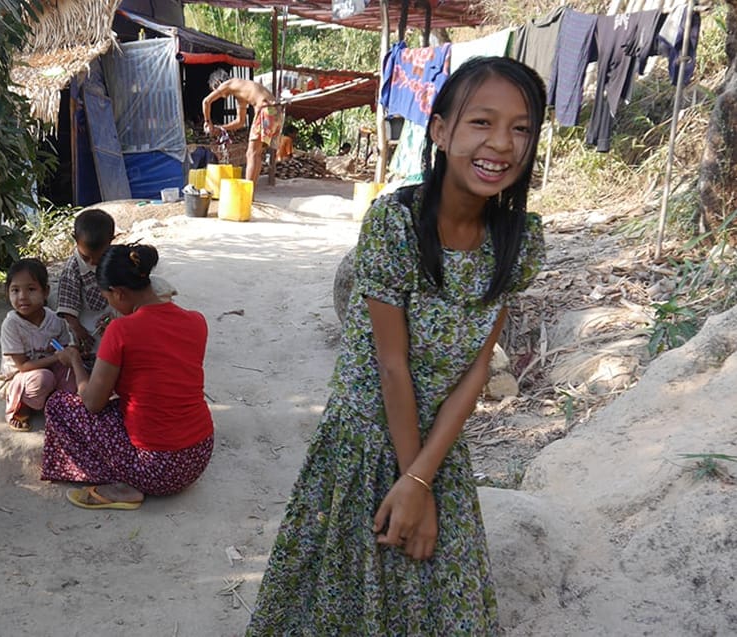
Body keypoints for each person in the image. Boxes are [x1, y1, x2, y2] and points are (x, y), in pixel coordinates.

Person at [246, 56, 548, 635]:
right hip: (363, 440)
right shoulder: (395, 224)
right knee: (343, 601)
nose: (502, 144)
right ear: (440, 131)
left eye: (520, 128)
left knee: (444, 601)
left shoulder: (520, 241)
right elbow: (392, 367)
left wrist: (424, 479)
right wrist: (411, 487)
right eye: (481, 123)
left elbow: (479, 366)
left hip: (437, 449)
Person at [41, 244, 213, 510]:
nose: (110, 305)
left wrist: (75, 361)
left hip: (159, 469)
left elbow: (92, 403)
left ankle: (125, 484)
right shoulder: (197, 321)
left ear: (119, 293)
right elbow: (161, 376)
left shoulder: (121, 330)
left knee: (58, 406)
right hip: (200, 453)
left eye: (108, 298)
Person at [0, 258, 76, 431]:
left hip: (49, 370)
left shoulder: (54, 319)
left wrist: (71, 353)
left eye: (31, 289)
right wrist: (56, 357)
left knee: (73, 370)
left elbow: (64, 349)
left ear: (45, 292)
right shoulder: (12, 324)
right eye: (15, 290)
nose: (22, 297)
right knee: (42, 379)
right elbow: (22, 366)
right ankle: (21, 405)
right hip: (18, 378)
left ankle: (56, 402)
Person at [201, 69, 283, 186]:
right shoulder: (241, 93)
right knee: (256, 153)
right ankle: (251, 192)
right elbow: (240, 122)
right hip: (276, 112)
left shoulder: (228, 84)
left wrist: (207, 121)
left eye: (215, 90)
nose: (221, 96)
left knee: (251, 153)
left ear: (218, 82)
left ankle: (247, 192)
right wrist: (220, 128)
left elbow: (206, 102)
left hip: (266, 110)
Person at [56, 208, 115, 357]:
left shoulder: (114, 258)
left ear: (111, 241)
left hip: (114, 320)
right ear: (75, 239)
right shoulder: (72, 269)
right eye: (87, 257)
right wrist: (78, 330)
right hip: (87, 330)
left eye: (99, 257)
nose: (93, 262)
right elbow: (67, 306)